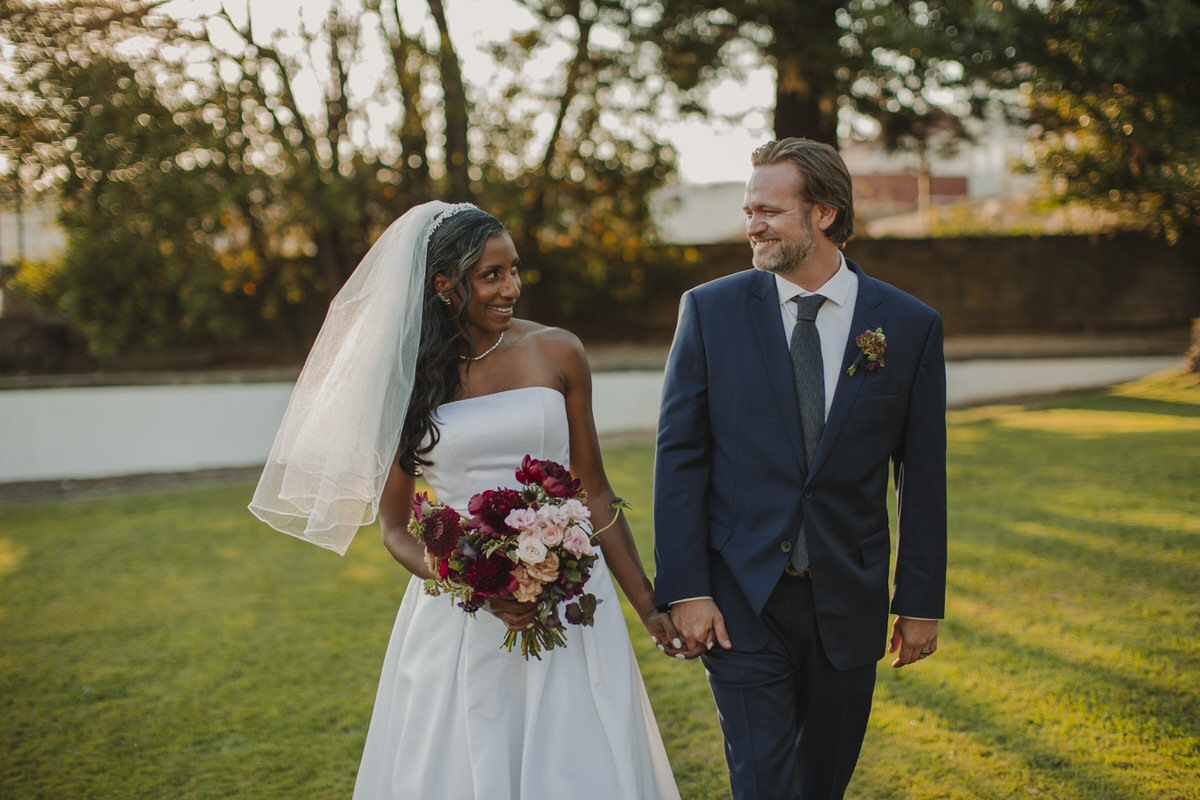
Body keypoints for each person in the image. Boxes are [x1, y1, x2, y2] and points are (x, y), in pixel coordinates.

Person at [250, 201, 681, 799]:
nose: (511, 288)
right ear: (444, 285)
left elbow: (595, 489)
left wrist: (648, 605)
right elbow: (396, 527)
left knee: (578, 760)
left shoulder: (559, 353)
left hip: (571, 599)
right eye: (491, 275)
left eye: (514, 270)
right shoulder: (409, 382)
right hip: (461, 614)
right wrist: (478, 583)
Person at [652, 138, 947, 799]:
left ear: (824, 213)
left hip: (849, 598)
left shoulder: (907, 325)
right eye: (748, 208)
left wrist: (921, 601)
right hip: (740, 599)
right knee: (761, 784)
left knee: (822, 784)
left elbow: (922, 476)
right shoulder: (710, 311)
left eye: (770, 210)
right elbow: (680, 457)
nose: (752, 224)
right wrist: (686, 590)